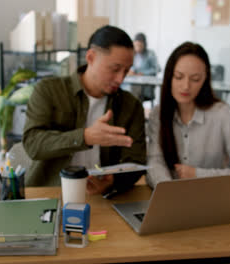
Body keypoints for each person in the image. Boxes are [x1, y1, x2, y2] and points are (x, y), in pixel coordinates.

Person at [23, 25, 146, 197]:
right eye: (115, 68)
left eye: (126, 71)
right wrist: (86, 137)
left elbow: (136, 161)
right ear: (91, 57)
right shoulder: (48, 90)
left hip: (105, 197)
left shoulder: (130, 106)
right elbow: (33, 144)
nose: (120, 78)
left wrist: (113, 181)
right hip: (51, 194)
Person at [146, 42, 230, 188]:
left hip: (212, 196)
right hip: (168, 200)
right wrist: (168, 190)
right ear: (168, 77)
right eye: (178, 77)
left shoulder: (222, 114)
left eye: (195, 79)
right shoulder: (158, 114)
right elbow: (155, 162)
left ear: (205, 80)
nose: (185, 86)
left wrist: (198, 174)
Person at [126, 33, 160, 102]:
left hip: (146, 86)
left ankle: (134, 108)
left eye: (139, 45)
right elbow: (132, 68)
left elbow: (157, 69)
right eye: (136, 45)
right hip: (133, 83)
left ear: (144, 45)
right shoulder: (133, 54)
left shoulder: (150, 54)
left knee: (134, 91)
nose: (137, 47)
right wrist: (131, 71)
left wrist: (142, 73)